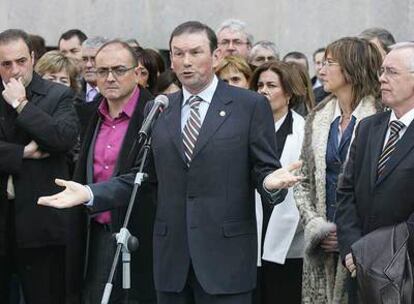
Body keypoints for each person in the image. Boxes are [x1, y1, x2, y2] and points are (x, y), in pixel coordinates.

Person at [38, 21, 303, 304]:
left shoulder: (248, 105)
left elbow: (263, 168)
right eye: (178, 53)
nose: (186, 61)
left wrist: (270, 182)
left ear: (215, 56)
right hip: (172, 261)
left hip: (225, 259)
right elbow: (140, 176)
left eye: (195, 52)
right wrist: (90, 192)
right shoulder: (161, 108)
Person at [293, 37, 383, 304]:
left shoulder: (381, 117)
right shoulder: (318, 118)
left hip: (364, 246)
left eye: (330, 63)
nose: (322, 69)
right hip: (322, 246)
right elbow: (303, 179)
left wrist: (347, 235)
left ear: (352, 69)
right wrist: (316, 226)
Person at [0, 29, 79, 304]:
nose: (15, 70)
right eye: (6, 64)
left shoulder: (58, 95)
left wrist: (21, 105)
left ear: (33, 58)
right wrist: (21, 152)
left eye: (21, 61)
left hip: (41, 224)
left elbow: (61, 138)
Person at [76, 40, 156, 304]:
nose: (109, 78)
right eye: (102, 71)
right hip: (96, 234)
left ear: (137, 73)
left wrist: (89, 193)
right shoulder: (90, 113)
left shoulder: (156, 113)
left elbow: (144, 178)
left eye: (119, 70)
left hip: (142, 234)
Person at [336, 42, 414, 302]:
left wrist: (377, 253)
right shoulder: (369, 127)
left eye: (391, 72)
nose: (381, 78)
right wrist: (353, 250)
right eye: (381, 71)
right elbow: (346, 192)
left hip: (406, 272)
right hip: (359, 270)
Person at [250, 61, 305, 304]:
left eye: (271, 85)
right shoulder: (244, 126)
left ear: (289, 93)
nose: (263, 90)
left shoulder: (304, 130)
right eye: (260, 85)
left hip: (289, 233)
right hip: (249, 227)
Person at [80, 36, 108, 102]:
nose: (88, 65)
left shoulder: (117, 94)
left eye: (94, 59)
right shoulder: (72, 92)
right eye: (84, 59)